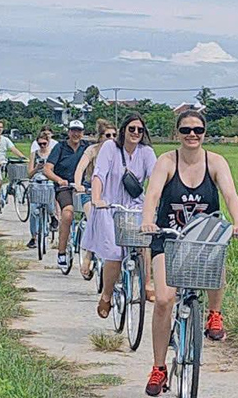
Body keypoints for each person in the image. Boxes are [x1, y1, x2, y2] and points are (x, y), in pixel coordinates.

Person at [140, 110, 238, 397]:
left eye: (198, 130)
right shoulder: (166, 162)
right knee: (164, 299)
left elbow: (229, 194)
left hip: (202, 239)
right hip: (169, 238)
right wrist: (147, 220)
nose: (192, 135)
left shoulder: (215, 162)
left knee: (218, 256)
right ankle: (159, 367)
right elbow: (152, 195)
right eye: (186, 130)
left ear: (204, 133)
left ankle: (214, 313)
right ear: (177, 133)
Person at [83, 113, 157, 319]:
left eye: (139, 130)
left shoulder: (147, 152)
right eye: (131, 129)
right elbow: (99, 174)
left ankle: (148, 283)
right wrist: (97, 198)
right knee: (114, 254)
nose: (135, 133)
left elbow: (156, 178)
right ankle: (106, 296)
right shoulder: (110, 148)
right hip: (110, 207)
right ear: (123, 130)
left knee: (145, 243)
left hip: (136, 207)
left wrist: (156, 202)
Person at [43, 119, 89, 269]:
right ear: (69, 132)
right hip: (65, 187)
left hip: (83, 187)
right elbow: (47, 169)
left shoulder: (86, 148)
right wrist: (59, 179)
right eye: (73, 131)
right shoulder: (60, 147)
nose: (76, 134)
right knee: (67, 214)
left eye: (79, 131)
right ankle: (61, 252)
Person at [74, 119, 117, 276]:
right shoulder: (92, 150)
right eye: (107, 135)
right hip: (90, 191)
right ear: (100, 137)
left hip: (110, 194)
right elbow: (80, 168)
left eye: (114, 135)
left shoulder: (120, 152)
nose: (111, 138)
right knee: (94, 216)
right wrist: (79, 184)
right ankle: (88, 255)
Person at [0, 119, 28, 214]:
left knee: (14, 174)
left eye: (1, 127)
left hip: (4, 162)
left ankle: (9, 190)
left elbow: (13, 149)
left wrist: (23, 157)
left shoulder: (5, 140)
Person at [26, 132, 58, 248]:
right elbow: (29, 174)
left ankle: (52, 215)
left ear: (48, 142)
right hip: (36, 182)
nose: (42, 146)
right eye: (40, 144)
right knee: (34, 210)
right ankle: (34, 237)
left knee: (49, 202)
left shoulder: (52, 154)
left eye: (44, 143)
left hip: (48, 182)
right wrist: (36, 168)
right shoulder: (34, 154)